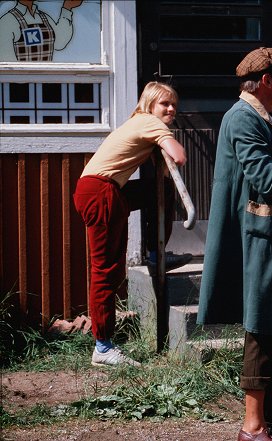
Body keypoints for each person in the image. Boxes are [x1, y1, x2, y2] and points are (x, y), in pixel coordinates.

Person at [197, 47, 272, 441]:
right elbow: (266, 181)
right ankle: (252, 427)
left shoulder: (263, 118)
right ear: (266, 79)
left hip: (269, 235)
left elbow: (270, 178)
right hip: (257, 238)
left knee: (268, 326)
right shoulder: (244, 118)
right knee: (261, 325)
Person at [73, 81, 190, 367]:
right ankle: (103, 347)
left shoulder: (137, 123)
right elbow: (179, 156)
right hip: (101, 192)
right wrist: (165, 141)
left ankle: (154, 252)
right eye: (165, 103)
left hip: (99, 190)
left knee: (158, 190)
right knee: (106, 270)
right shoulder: (150, 122)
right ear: (150, 104)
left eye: (174, 103)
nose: (171, 109)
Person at [0, 0, 83, 62]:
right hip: (21, 81)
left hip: (45, 78)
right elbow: (7, 63)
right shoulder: (7, 20)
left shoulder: (44, 17)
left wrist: (67, 8)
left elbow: (59, 43)